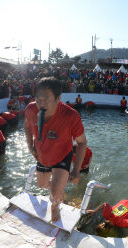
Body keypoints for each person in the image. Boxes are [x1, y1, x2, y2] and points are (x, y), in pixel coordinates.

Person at [24, 77, 87, 222]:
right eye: (38, 99)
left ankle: (55, 205)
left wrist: (76, 170)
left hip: (62, 156)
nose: (41, 104)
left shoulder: (71, 116)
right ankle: (58, 189)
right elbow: (27, 126)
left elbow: (82, 143)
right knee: (41, 185)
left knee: (55, 195)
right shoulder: (30, 109)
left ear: (59, 98)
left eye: (46, 100)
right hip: (42, 155)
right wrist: (29, 145)